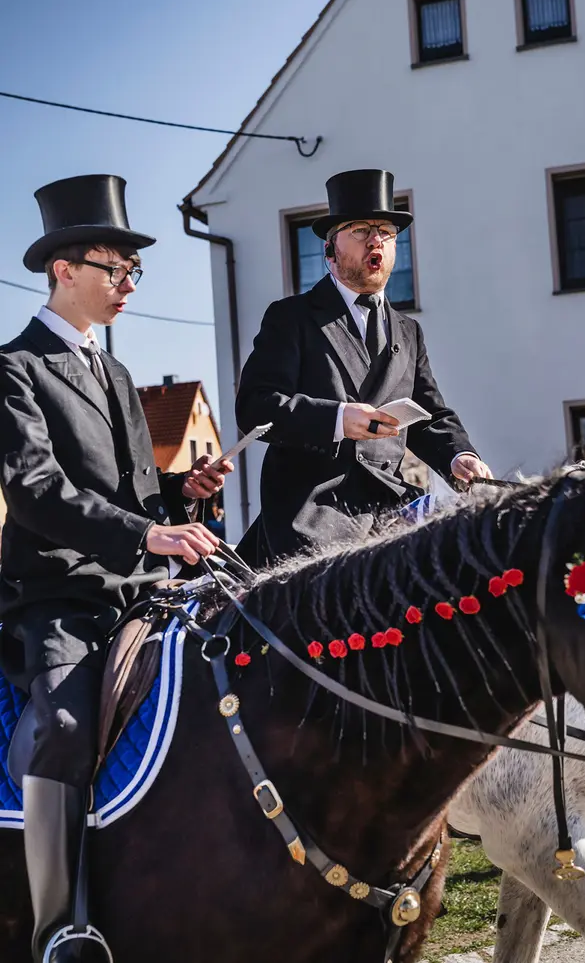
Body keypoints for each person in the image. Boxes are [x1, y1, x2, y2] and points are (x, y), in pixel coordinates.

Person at [0, 174, 232, 963]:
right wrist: (150, 533)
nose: (129, 283)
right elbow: (38, 491)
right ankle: (57, 925)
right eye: (116, 268)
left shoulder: (119, 372)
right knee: (65, 726)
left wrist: (181, 490)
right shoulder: (15, 367)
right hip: (58, 597)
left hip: (142, 594)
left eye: (135, 270)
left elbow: (133, 492)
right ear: (64, 269)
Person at [236, 168, 491, 569]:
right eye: (359, 230)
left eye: (386, 232)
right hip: (312, 515)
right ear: (329, 249)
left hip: (389, 510)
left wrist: (459, 456)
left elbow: (430, 415)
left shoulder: (408, 331)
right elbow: (256, 406)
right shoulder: (291, 317)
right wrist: (338, 419)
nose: (375, 240)